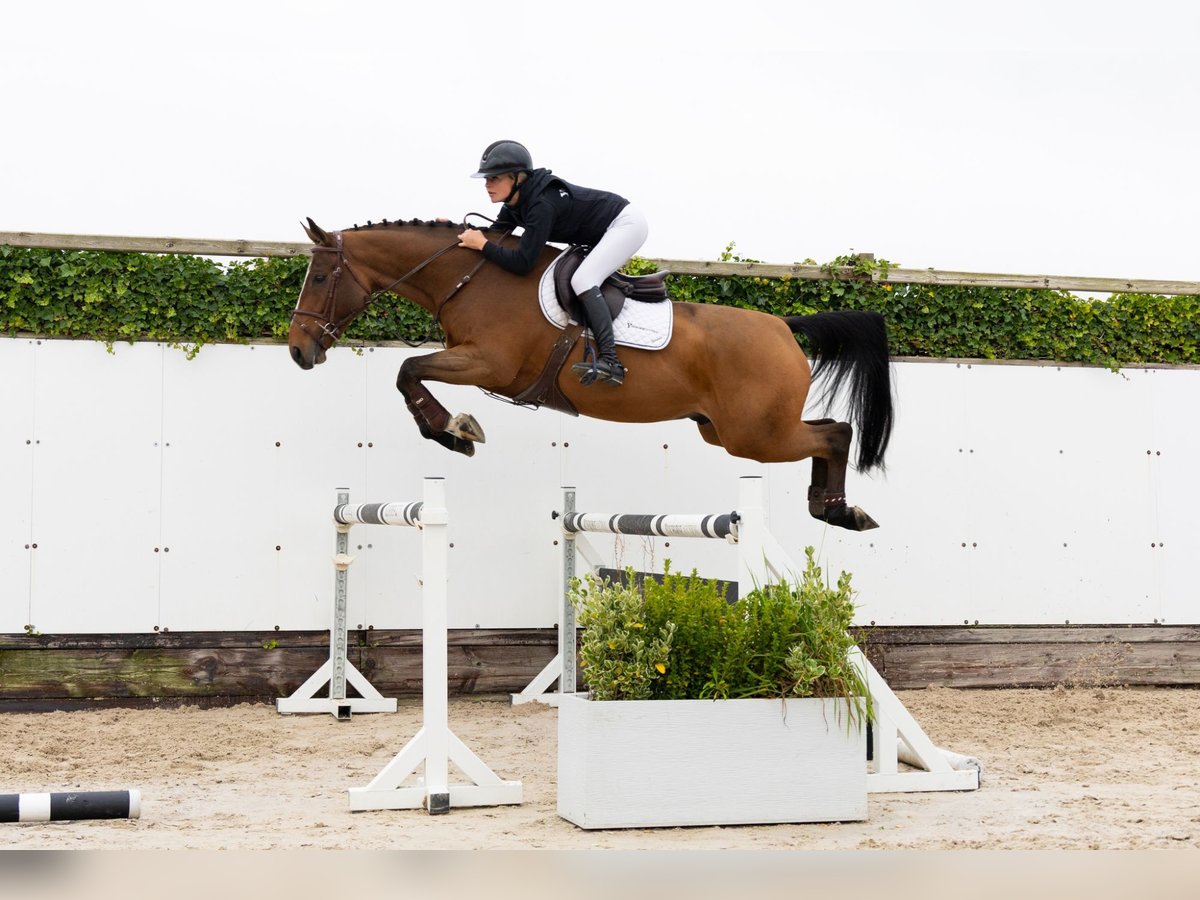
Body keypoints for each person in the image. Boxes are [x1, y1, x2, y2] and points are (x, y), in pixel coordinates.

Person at [457, 140, 648, 387]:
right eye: (486, 179)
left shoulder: (542, 204)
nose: (487, 184)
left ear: (517, 177)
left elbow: (523, 262)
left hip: (626, 224)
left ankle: (612, 363)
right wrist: (455, 233)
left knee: (583, 280)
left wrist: (483, 245)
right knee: (583, 277)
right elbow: (494, 236)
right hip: (607, 230)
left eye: (494, 178)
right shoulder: (516, 202)